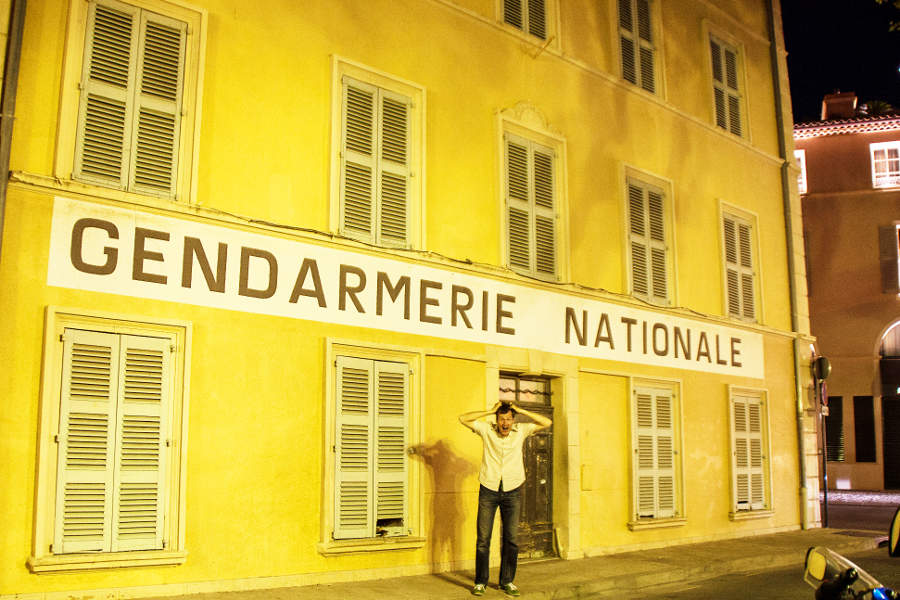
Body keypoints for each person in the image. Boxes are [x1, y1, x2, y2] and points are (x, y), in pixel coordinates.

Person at [458, 400, 552, 597]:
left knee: (511, 540)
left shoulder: (522, 430)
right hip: (489, 489)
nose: (506, 423)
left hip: (512, 491)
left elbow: (547, 422)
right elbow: (462, 418)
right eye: (502, 419)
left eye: (509, 419)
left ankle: (507, 581)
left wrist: (522, 410)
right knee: (483, 539)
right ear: (497, 420)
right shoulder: (486, 430)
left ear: (513, 420)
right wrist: (490, 411)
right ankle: (480, 582)